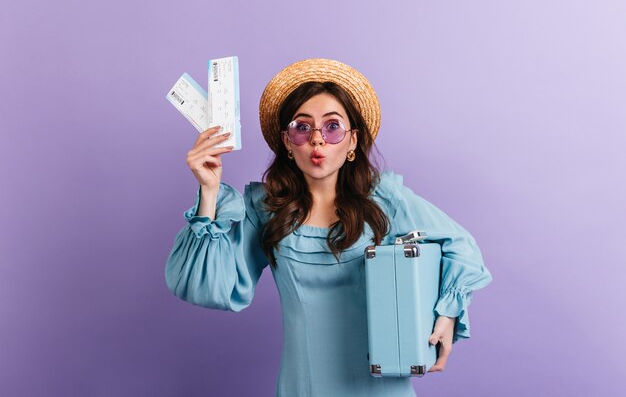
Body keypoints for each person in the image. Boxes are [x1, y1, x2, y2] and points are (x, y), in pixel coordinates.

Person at [165, 58, 493, 397]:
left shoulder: (385, 199)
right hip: (304, 386)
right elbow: (204, 286)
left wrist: (447, 315)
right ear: (287, 142)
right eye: (302, 127)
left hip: (383, 388)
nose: (317, 140)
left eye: (332, 127)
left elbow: (462, 247)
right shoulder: (265, 207)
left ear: (352, 141)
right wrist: (209, 189)